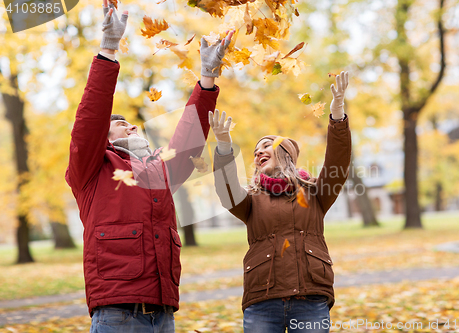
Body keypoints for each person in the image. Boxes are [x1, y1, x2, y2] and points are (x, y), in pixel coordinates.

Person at [65, 0, 233, 331]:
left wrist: (207, 80)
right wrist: (108, 50)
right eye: (120, 123)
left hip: (162, 309)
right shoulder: (92, 168)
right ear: (106, 137)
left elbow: (188, 139)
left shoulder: (158, 168)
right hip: (117, 310)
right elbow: (90, 119)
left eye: (131, 121)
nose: (130, 125)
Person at [209, 72, 351, 333]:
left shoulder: (315, 193)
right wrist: (224, 147)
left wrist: (338, 115)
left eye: (266, 146)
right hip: (263, 299)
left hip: (310, 297)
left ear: (286, 153)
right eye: (255, 151)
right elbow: (225, 189)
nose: (258, 152)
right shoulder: (250, 199)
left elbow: (337, 163)